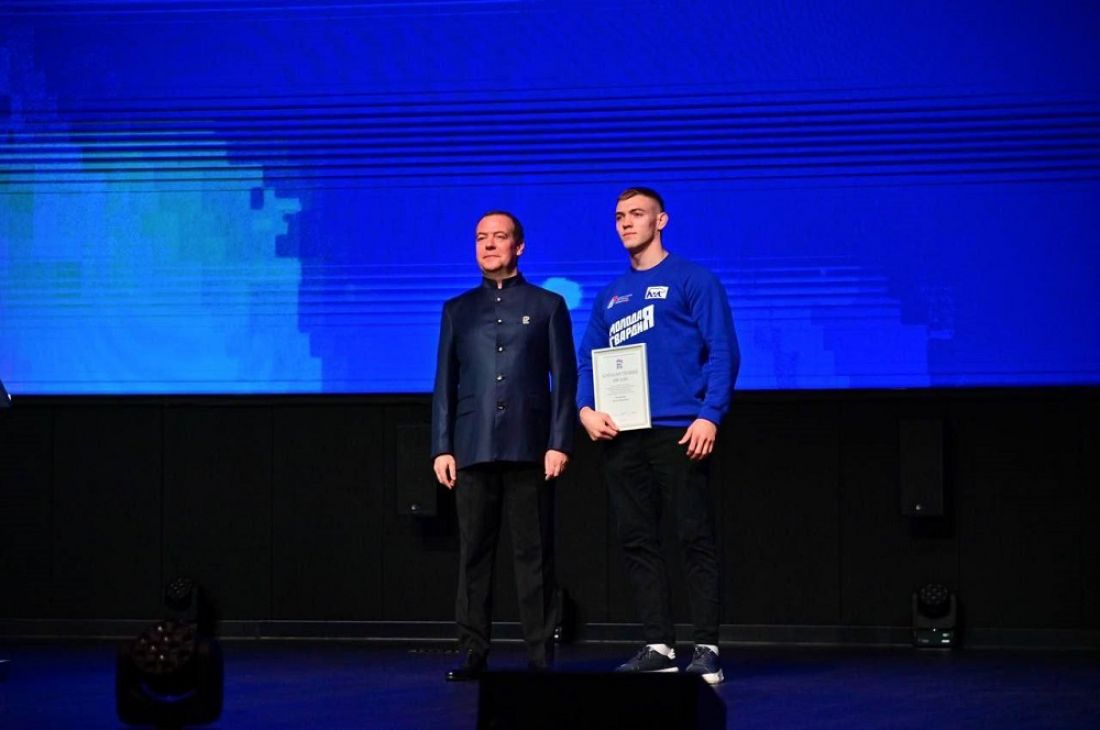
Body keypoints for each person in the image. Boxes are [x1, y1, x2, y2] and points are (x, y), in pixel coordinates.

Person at [576, 187, 739, 684]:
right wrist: (585, 410)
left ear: (660, 220)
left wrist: (710, 415)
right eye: (619, 216)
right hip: (623, 435)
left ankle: (706, 647)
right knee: (637, 540)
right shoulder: (610, 296)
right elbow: (587, 362)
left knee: (694, 538)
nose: (626, 223)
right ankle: (658, 645)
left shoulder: (693, 279)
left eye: (637, 214)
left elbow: (723, 351)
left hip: (679, 431)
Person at [431, 210, 577, 681]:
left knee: (534, 554)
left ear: (519, 246)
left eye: (499, 237)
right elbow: (444, 384)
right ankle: (473, 651)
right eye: (481, 238)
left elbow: (565, 381)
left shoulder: (548, 305)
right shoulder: (457, 310)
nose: (489, 245)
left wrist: (559, 442)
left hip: (530, 446)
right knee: (474, 554)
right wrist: (441, 447)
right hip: (472, 447)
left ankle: (540, 655)